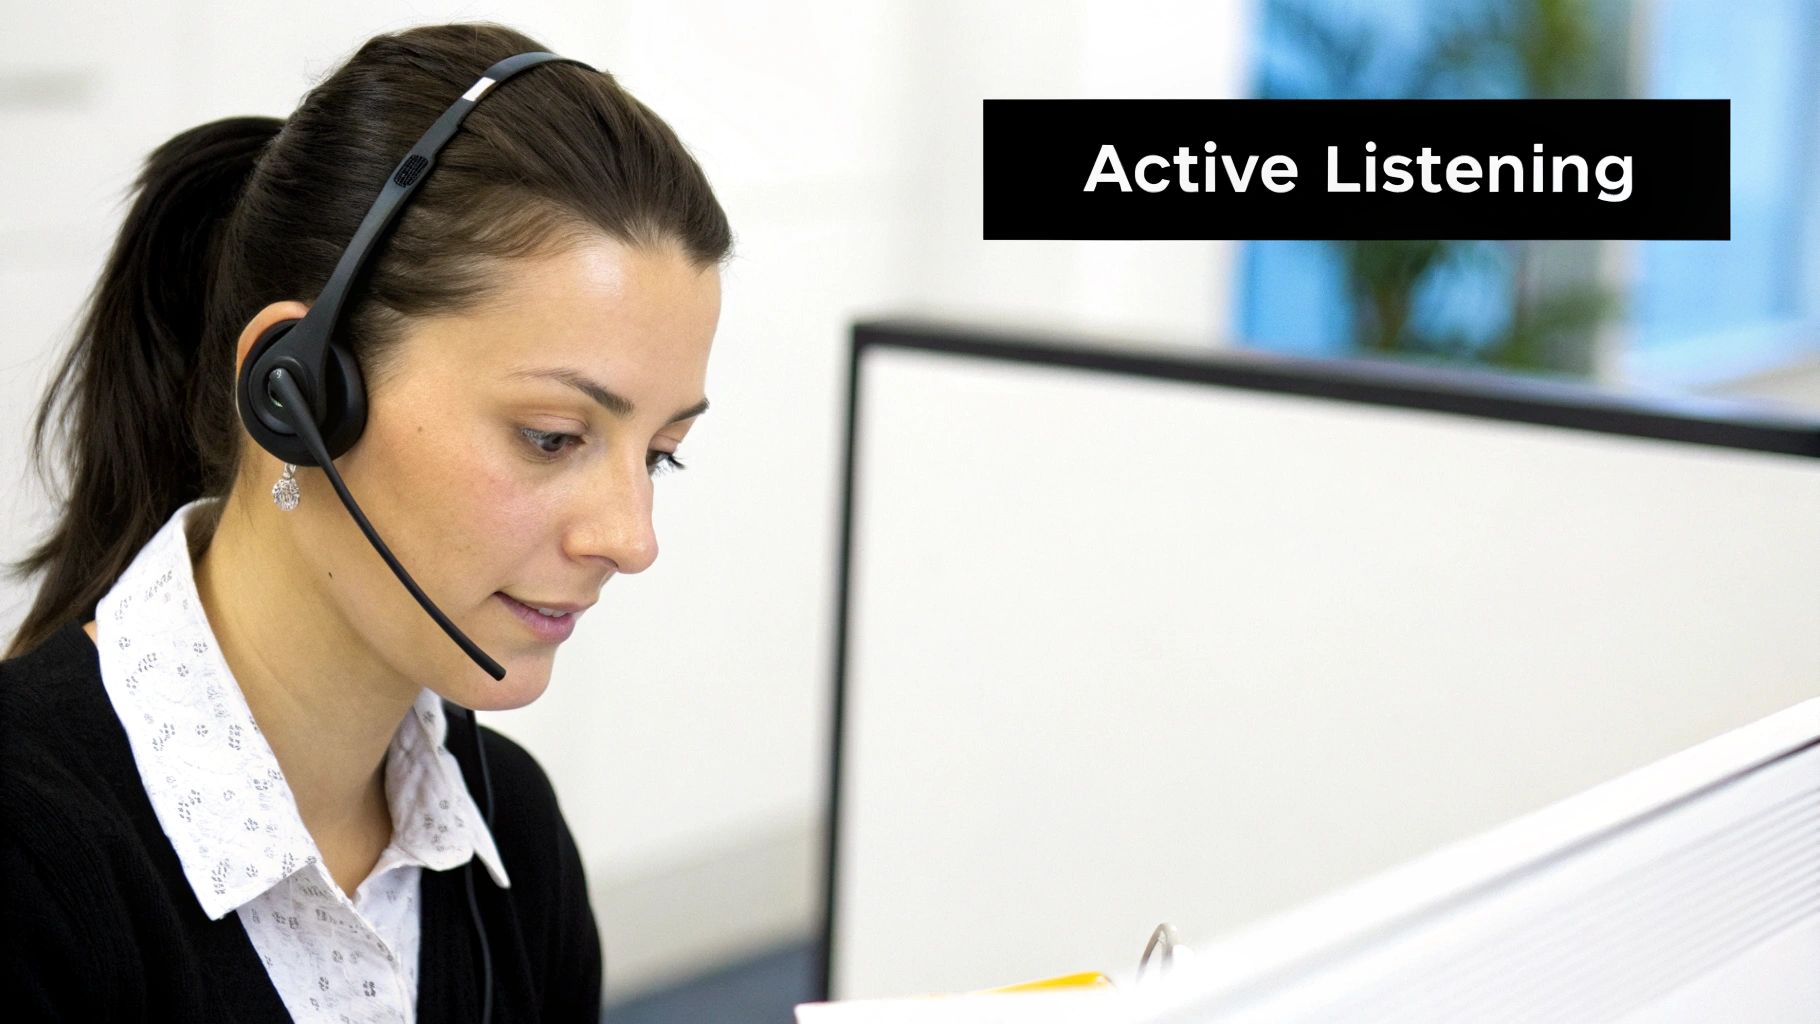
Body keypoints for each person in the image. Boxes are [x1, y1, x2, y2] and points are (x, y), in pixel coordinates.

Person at [0, 21, 729, 1022]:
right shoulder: (30, 858)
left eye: (659, 453)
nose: (630, 538)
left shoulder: (509, 836)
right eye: (554, 436)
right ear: (296, 392)